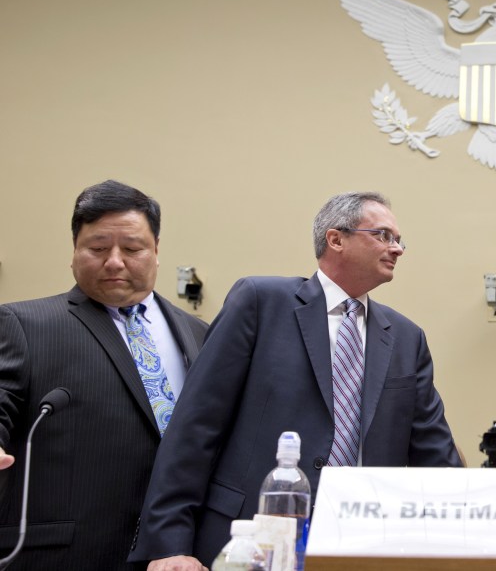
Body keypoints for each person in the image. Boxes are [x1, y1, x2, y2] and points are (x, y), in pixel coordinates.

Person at [130, 191, 462, 570]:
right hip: (250, 540)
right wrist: (170, 543)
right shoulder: (261, 302)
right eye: (384, 235)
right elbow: (196, 425)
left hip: (360, 546)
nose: (397, 249)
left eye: (399, 240)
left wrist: (478, 535)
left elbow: (435, 456)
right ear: (336, 239)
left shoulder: (406, 337)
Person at [0, 180, 208, 571]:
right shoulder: (24, 324)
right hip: (64, 554)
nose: (115, 261)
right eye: (97, 248)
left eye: (132, 249)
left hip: (173, 554)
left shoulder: (199, 333)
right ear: (74, 251)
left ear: (156, 251)